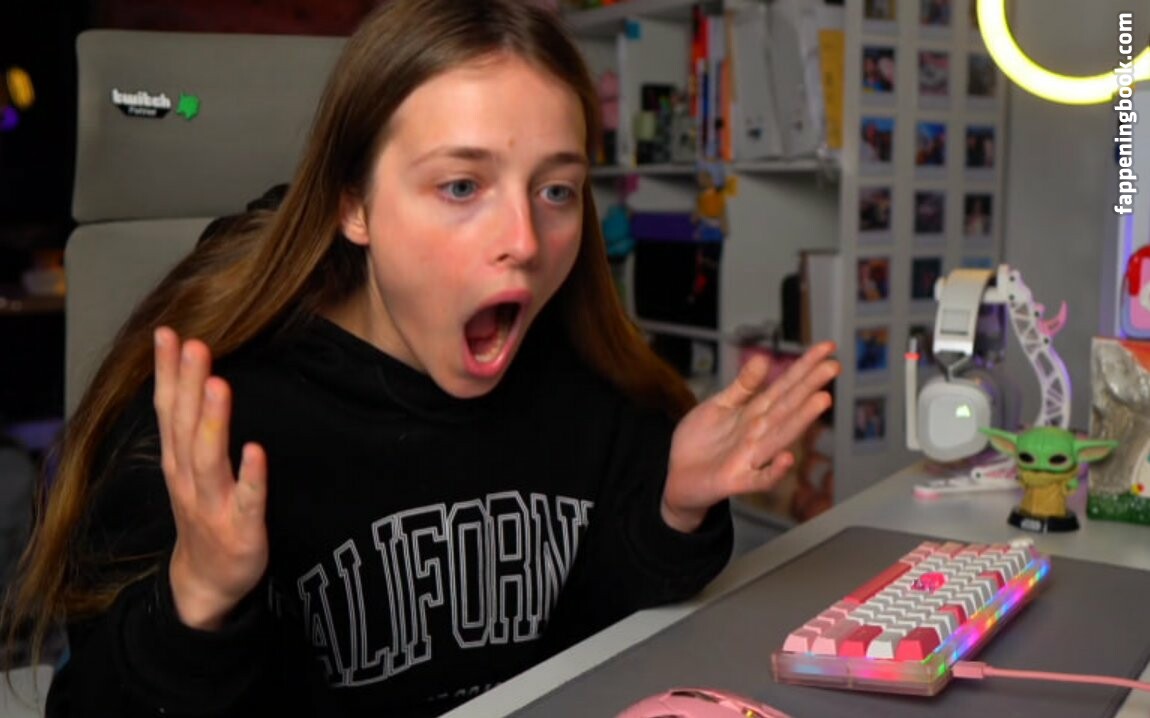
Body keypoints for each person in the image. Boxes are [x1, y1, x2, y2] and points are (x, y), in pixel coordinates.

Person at [3, 1, 839, 716]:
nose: (525, 241)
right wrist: (198, 601)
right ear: (355, 206)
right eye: (461, 186)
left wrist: (672, 510)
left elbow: (601, 627)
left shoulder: (585, 382)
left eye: (555, 190)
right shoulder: (214, 420)